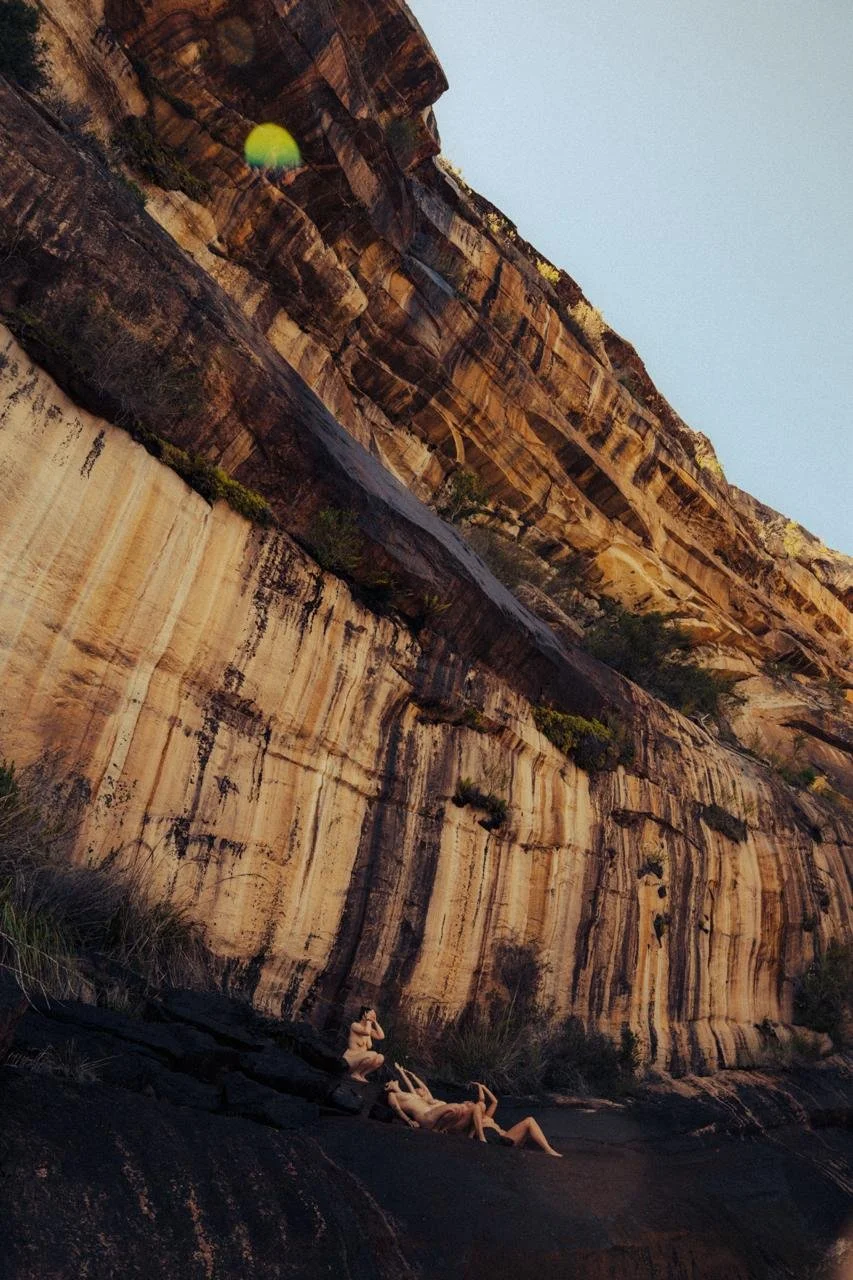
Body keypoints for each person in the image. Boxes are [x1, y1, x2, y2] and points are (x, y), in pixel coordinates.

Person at [470, 1080, 562, 1157]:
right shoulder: (477, 1121)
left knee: (530, 1124)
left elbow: (495, 1101)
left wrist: (482, 1086)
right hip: (502, 1140)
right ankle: (548, 1150)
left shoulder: (487, 1116)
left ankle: (545, 1147)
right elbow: (480, 1102)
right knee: (529, 1121)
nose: (483, 1107)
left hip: (506, 1137)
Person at [384, 1076, 487, 1140]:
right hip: (425, 1117)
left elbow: (420, 1087)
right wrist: (409, 1120)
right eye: (391, 1081)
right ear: (388, 1086)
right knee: (456, 1107)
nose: (394, 1080)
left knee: (460, 1109)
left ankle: (441, 1129)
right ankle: (436, 1129)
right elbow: (396, 1108)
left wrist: (410, 1074)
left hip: (432, 1114)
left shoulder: (408, 1094)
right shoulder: (392, 1095)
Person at [343, 1005, 385, 1082]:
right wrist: (369, 1021)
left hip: (361, 1061)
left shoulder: (369, 1029)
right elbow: (366, 1032)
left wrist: (375, 1021)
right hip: (350, 1060)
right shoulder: (355, 1025)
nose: (371, 1018)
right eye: (370, 1015)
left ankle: (362, 1074)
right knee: (373, 1054)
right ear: (363, 1016)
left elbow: (381, 1036)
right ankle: (355, 1074)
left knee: (380, 1057)